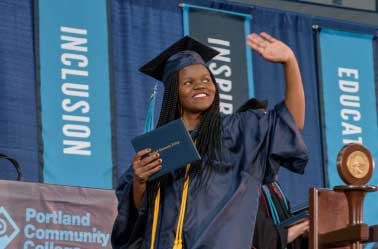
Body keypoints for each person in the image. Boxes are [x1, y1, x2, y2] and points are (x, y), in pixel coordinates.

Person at [111, 33, 308, 249]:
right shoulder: (158, 147)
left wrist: (290, 63)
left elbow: (290, 123)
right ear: (173, 93)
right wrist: (139, 183)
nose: (200, 86)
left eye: (207, 80)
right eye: (188, 82)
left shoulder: (236, 132)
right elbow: (131, 225)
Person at [237, 99, 309, 249]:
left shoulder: (273, 186)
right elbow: (261, 237)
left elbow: (285, 230)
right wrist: (302, 227)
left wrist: (308, 226)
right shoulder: (238, 181)